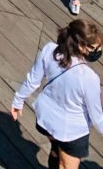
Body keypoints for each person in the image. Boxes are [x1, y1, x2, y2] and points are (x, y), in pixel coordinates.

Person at [11, 18, 103, 168]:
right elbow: (97, 117)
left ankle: (55, 151)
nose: (98, 51)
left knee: (57, 150)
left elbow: (32, 81)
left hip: (45, 119)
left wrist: (18, 100)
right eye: (95, 48)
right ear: (81, 46)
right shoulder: (89, 78)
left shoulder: (50, 50)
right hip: (71, 132)